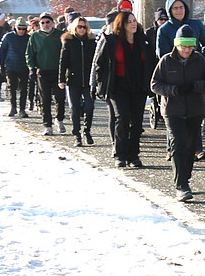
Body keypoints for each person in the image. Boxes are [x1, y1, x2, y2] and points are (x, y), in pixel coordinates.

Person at [151, 24, 205, 202]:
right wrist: (173, 90)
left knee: (191, 146)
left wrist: (195, 86)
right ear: (176, 45)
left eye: (190, 46)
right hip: (173, 110)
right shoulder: (166, 61)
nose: (187, 50)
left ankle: (185, 176)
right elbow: (155, 84)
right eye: (183, 46)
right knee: (178, 144)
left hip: (195, 109)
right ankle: (181, 185)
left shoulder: (199, 60)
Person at [93, 10, 154, 168]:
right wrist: (100, 83)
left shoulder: (143, 41)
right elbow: (100, 64)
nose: (133, 24)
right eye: (129, 22)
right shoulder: (111, 41)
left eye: (134, 21)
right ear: (121, 24)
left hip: (138, 87)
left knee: (137, 122)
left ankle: (134, 155)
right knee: (123, 118)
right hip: (118, 86)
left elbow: (150, 63)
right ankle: (120, 154)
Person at [59, 16, 98, 146]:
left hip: (88, 80)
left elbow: (97, 61)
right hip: (73, 80)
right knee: (74, 108)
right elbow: (63, 62)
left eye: (84, 27)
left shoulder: (92, 41)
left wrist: (97, 78)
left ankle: (87, 131)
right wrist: (62, 79)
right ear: (74, 28)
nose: (82, 29)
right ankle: (76, 134)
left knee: (89, 106)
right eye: (79, 27)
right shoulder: (69, 41)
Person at [27, 11, 66, 136]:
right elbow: (29, 54)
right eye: (42, 22)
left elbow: (67, 53)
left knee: (60, 97)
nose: (45, 24)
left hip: (58, 72)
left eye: (47, 22)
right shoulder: (35, 36)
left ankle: (59, 119)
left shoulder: (60, 35)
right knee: (45, 99)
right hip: (42, 72)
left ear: (53, 23)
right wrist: (32, 68)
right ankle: (47, 125)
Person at [0, 18, 32, 118]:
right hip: (11, 66)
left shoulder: (29, 38)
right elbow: (2, 50)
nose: (21, 31)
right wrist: (1, 64)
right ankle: (13, 107)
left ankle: (22, 109)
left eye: (23, 29)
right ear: (15, 27)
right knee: (12, 88)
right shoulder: (8, 37)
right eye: (19, 28)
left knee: (24, 89)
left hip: (24, 66)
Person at [145, 10, 169, 129]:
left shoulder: (169, 31)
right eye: (161, 20)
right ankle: (156, 106)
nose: (163, 22)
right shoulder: (150, 33)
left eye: (165, 19)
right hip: (153, 64)